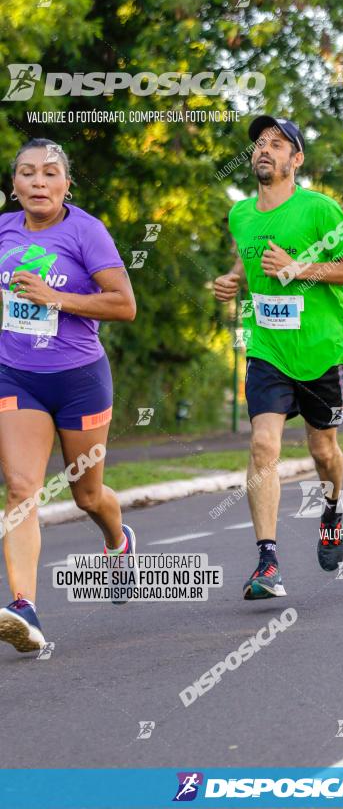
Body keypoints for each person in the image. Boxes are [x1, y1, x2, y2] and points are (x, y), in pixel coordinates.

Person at [213, 115, 343, 599]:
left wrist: (300, 267)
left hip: (322, 350)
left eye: (277, 144)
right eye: (260, 143)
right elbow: (248, 256)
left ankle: (333, 509)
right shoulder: (240, 214)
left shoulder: (319, 209)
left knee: (323, 451)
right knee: (263, 446)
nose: (265, 149)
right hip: (267, 348)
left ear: (295, 159)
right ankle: (267, 560)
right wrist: (233, 279)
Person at [0, 139, 137, 653]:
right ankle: (24, 609)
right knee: (20, 489)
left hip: (79, 378)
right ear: (14, 185)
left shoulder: (86, 231)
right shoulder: (3, 231)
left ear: (66, 185)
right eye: (28, 173)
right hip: (17, 375)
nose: (39, 181)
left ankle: (117, 543)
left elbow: (124, 305)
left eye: (50, 173)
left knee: (87, 496)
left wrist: (56, 297)